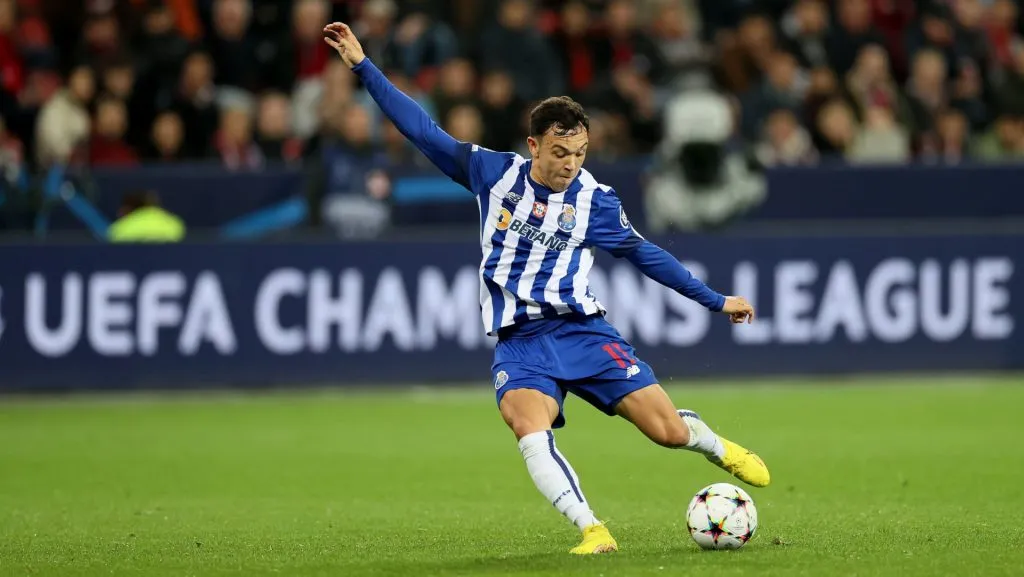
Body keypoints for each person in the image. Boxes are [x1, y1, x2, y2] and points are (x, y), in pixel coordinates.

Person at [323, 22, 771, 555]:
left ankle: (717, 447)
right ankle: (592, 529)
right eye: (560, 152)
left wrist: (715, 300)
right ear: (534, 145)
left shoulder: (595, 201)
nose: (571, 164)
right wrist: (363, 66)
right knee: (528, 427)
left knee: (668, 433)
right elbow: (422, 130)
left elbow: (645, 254)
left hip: (583, 331)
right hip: (521, 342)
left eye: (580, 153)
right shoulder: (492, 174)